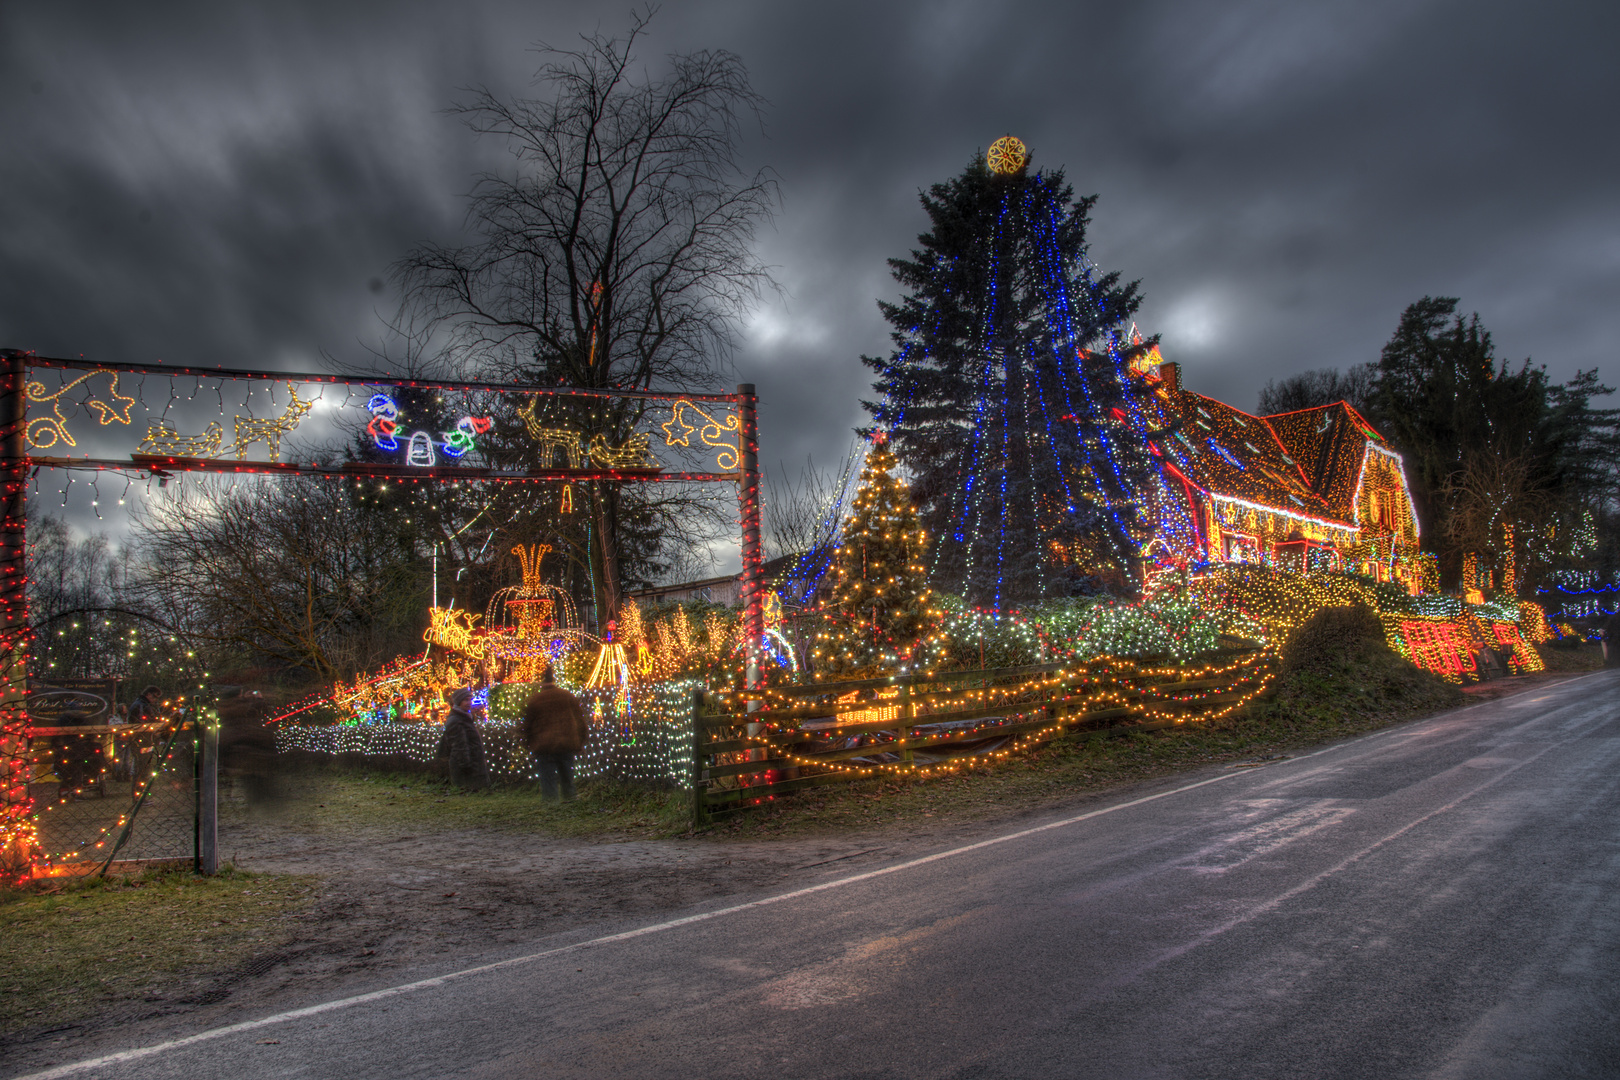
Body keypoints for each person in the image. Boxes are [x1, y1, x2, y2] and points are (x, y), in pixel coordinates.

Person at [523, 665, 587, 801]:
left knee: (547, 778)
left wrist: (527, 743)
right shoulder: (567, 696)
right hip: (567, 742)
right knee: (567, 775)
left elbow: (527, 725)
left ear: (542, 682)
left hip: (544, 745)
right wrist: (581, 740)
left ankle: (551, 802)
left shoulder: (536, 699)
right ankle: (570, 799)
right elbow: (580, 720)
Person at [435, 688, 489, 790]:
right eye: (466, 700)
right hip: (468, 769)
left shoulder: (465, 717)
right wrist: (467, 766)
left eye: (470, 700)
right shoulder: (456, 720)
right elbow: (459, 745)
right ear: (459, 701)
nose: (469, 703)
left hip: (473, 764)